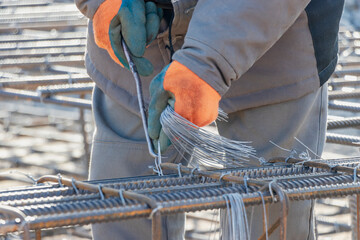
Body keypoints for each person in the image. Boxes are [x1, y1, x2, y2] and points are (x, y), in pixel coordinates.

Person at [75, 0, 344, 239]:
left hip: (273, 43)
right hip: (141, 41)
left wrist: (206, 63)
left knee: (269, 212)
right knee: (122, 210)